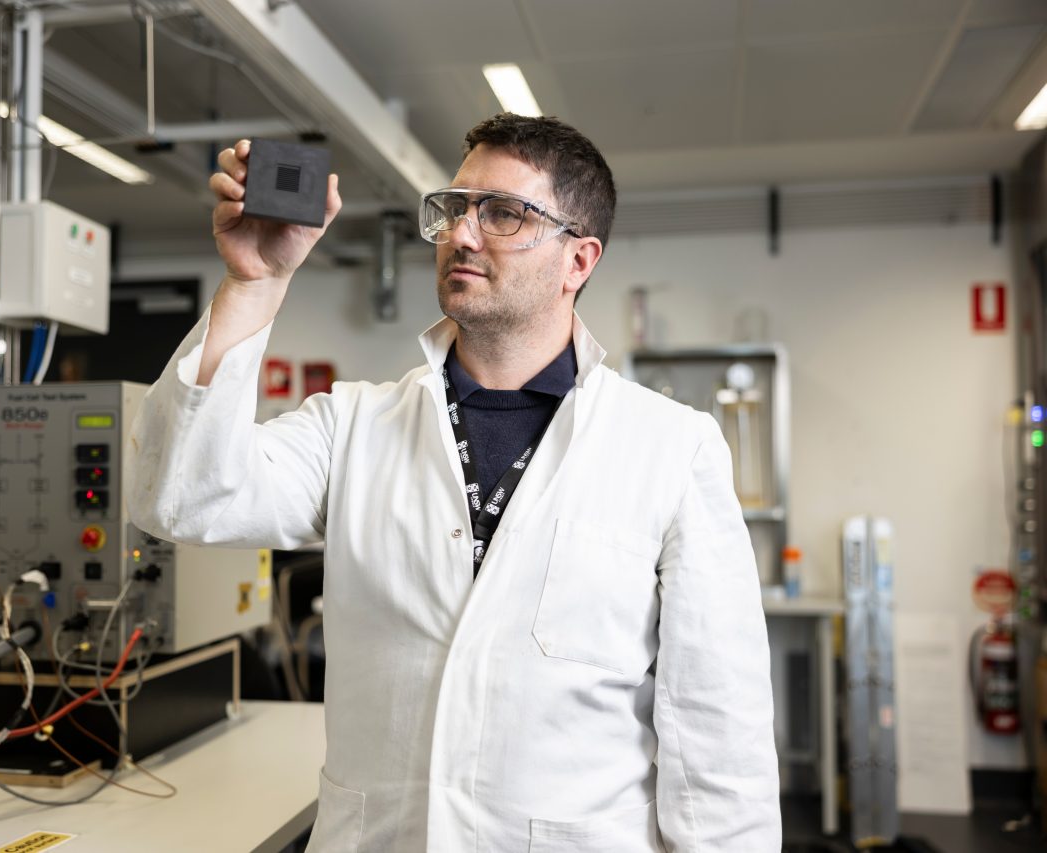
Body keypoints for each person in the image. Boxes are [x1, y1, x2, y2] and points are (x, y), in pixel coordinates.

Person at [124, 113, 780, 852]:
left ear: (579, 260)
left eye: (504, 213)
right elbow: (182, 497)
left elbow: (718, 737)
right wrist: (256, 283)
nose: (463, 234)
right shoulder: (354, 424)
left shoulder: (670, 447)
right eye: (456, 209)